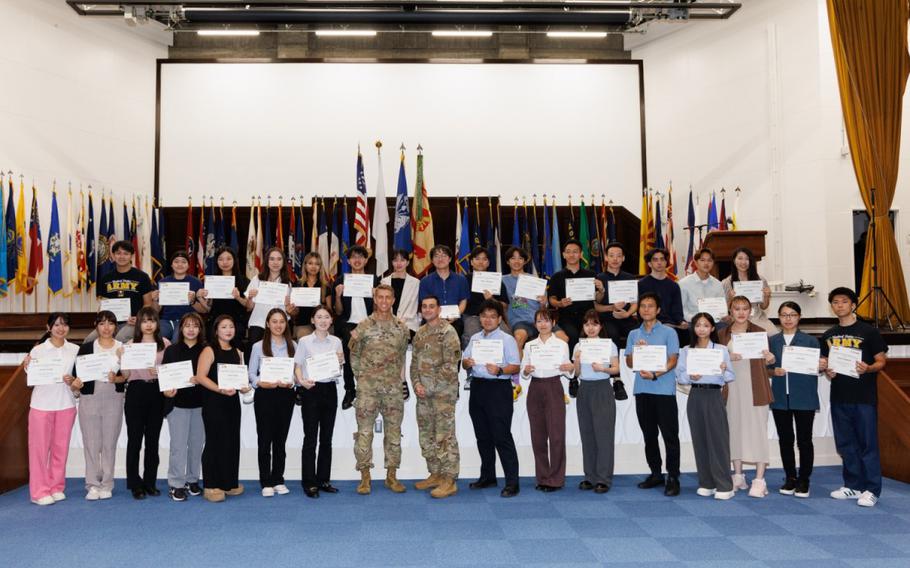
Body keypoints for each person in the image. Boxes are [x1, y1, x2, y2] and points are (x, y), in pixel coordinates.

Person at [820, 287, 887, 508]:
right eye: (835, 302)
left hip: (864, 397)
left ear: (853, 304)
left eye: (844, 301)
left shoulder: (869, 332)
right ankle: (853, 485)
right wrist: (827, 370)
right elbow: (825, 363)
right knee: (846, 444)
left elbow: (881, 361)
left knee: (867, 444)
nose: (839, 305)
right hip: (839, 396)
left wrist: (867, 368)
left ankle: (872, 489)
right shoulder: (829, 334)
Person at [348, 284, 411, 495]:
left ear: (393, 300)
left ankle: (391, 476)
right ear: (375, 299)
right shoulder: (363, 326)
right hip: (368, 389)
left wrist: (400, 380)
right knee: (364, 433)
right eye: (380, 297)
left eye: (388, 297)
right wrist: (362, 377)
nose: (384, 301)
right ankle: (365, 476)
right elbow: (354, 355)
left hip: (392, 389)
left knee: (394, 433)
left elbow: (402, 355)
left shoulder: (402, 328)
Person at [463, 299, 522, 498]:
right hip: (478, 388)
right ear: (479, 318)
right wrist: (466, 362)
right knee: (483, 437)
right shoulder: (475, 339)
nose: (487, 320)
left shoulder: (507, 340)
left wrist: (500, 370)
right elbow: (464, 363)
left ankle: (512, 482)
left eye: (492, 316)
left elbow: (516, 366)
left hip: (498, 389)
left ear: (499, 319)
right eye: (484, 316)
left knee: (502, 436)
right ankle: (488, 476)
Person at [625, 292, 681, 496]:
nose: (646, 309)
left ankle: (673, 476)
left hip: (664, 391)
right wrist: (636, 353)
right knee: (649, 435)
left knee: (670, 436)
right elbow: (629, 363)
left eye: (650, 306)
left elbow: (673, 360)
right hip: (642, 390)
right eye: (643, 306)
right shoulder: (634, 334)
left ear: (658, 310)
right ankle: (656, 473)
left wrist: (656, 373)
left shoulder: (668, 332)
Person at [675, 312, 735, 500]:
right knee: (699, 439)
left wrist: (724, 370)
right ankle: (706, 482)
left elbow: (730, 377)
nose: (701, 329)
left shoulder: (721, 349)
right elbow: (680, 376)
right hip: (695, 395)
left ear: (712, 328)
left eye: (706, 325)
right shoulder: (686, 350)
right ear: (694, 328)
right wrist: (690, 377)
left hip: (713, 395)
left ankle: (724, 484)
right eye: (698, 325)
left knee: (718, 440)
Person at [720, 295, 775, 498]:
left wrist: (770, 358)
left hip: (756, 389)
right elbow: (716, 363)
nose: (741, 312)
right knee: (734, 431)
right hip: (732, 390)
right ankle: (738, 475)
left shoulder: (760, 332)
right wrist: (726, 357)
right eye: (737, 309)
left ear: (750, 311)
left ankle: (759, 480)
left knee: (758, 432)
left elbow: (769, 361)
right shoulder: (722, 333)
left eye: (745, 308)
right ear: (730, 311)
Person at [410, 295, 463, 498]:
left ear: (439, 309)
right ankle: (436, 474)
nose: (428, 309)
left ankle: (449, 480)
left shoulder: (448, 332)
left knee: (445, 436)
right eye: (424, 306)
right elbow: (414, 363)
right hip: (423, 394)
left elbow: (451, 366)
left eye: (432, 306)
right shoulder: (420, 333)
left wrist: (429, 387)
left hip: (442, 394)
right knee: (427, 435)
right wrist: (416, 383)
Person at [25, 313, 81, 505]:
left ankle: (56, 486)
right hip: (41, 406)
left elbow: (78, 380)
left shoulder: (75, 350)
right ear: (48, 327)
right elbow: (30, 376)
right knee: (39, 451)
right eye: (56, 324)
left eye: (64, 324)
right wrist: (27, 365)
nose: (61, 328)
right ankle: (39, 491)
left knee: (60, 450)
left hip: (66, 405)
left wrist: (73, 381)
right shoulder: (37, 351)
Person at [193, 315, 251, 502]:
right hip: (213, 401)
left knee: (231, 441)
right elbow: (201, 376)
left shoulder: (238, 351)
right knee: (214, 442)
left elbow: (242, 378)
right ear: (216, 330)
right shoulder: (209, 350)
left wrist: (244, 386)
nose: (228, 330)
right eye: (224, 326)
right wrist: (220, 389)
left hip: (232, 402)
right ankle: (211, 485)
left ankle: (229, 483)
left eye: (231, 326)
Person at [768, 301, 820, 498]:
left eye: (792, 314)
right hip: (781, 397)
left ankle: (804, 478)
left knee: (805, 440)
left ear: (799, 317)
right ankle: (790, 477)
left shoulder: (810, 341)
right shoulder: (772, 341)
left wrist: (821, 365)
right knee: (785, 440)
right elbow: (763, 369)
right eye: (783, 315)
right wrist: (773, 370)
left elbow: (819, 366)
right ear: (779, 318)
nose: (788, 319)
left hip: (804, 397)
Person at [520, 308, 574, 491]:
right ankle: (542, 477)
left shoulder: (561, 345)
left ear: (553, 323)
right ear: (535, 324)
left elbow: (567, 372)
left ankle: (556, 479)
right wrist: (526, 371)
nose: (543, 324)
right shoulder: (529, 345)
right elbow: (523, 373)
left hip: (553, 386)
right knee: (538, 436)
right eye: (539, 321)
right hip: (535, 387)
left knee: (557, 435)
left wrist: (570, 367)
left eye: (546, 321)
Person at [74, 310, 125, 500]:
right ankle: (93, 485)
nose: (106, 328)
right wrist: (74, 384)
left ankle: (107, 484)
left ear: (116, 326)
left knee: (109, 444)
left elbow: (126, 377)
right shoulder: (86, 348)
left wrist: (117, 377)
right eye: (102, 323)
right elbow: (76, 378)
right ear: (96, 325)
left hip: (113, 398)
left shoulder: (123, 348)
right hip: (90, 398)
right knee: (91, 444)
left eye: (110, 323)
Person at [248, 308, 298, 497]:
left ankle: (278, 478)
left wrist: (292, 380)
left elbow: (297, 373)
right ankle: (266, 480)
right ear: (267, 324)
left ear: (286, 324)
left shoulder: (293, 345)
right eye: (274, 321)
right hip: (265, 395)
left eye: (282, 322)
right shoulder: (258, 346)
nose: (278, 325)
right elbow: (251, 373)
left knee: (280, 440)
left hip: (286, 395)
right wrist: (260, 382)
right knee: (264, 439)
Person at [295, 306, 344, 498]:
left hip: (329, 389)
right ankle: (309, 482)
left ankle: (324, 479)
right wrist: (301, 382)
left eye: (327, 317)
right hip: (311, 390)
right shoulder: (304, 341)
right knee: (310, 438)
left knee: (326, 438)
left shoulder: (337, 341)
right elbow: (297, 366)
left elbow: (338, 369)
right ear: (313, 320)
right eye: (319, 317)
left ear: (331, 320)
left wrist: (339, 361)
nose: (323, 320)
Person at [122, 307, 170, 500]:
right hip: (135, 392)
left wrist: (159, 372)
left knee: (152, 441)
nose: (148, 325)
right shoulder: (129, 344)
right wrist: (121, 359)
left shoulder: (165, 344)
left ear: (157, 323)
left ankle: (150, 482)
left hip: (156, 392)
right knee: (134, 440)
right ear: (138, 324)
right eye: (144, 321)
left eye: (152, 321)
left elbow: (171, 371)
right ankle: (135, 484)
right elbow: (125, 376)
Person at [572, 309, 620, 494]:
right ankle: (589, 476)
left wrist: (603, 368)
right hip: (584, 389)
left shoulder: (609, 345)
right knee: (587, 435)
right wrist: (576, 360)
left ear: (601, 326)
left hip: (602, 388)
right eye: (587, 324)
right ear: (583, 327)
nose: (590, 328)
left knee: (604, 436)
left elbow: (616, 369)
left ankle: (603, 478)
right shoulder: (578, 345)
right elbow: (576, 373)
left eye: (594, 324)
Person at [161, 312, 207, 502]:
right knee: (178, 446)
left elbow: (211, 376)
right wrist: (166, 392)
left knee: (196, 446)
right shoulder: (171, 350)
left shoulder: (206, 350)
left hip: (201, 405)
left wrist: (201, 379)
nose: (190, 329)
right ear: (181, 328)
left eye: (195, 326)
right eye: (187, 325)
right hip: (177, 405)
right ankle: (176, 484)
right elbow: (165, 378)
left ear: (200, 329)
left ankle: (192, 479)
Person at [334, 245, 381, 410]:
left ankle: (369, 390)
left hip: (369, 322)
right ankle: (350, 390)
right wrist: (338, 295)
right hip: (348, 323)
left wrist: (376, 297)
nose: (357, 260)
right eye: (353, 257)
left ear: (366, 260)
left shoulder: (374, 280)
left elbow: (379, 311)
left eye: (361, 257)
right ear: (348, 261)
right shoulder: (341, 280)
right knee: (349, 344)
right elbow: (338, 311)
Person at [90, 240, 155, 342]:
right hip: (111, 322)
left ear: (131, 256)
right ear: (113, 255)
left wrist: (139, 319)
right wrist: (100, 320)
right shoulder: (106, 278)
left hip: (132, 322)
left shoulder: (142, 277)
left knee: (120, 338)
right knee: (90, 339)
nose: (122, 256)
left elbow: (148, 304)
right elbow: (103, 304)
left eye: (126, 253)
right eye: (118, 253)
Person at [246, 247, 297, 355]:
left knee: (277, 358)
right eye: (272, 259)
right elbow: (249, 307)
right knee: (255, 356)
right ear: (266, 261)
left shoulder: (287, 283)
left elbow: (292, 312)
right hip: (258, 324)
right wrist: (250, 297)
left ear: (283, 262)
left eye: (279, 259)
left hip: (279, 326)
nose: (275, 262)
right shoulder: (257, 279)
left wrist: (289, 308)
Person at [548, 239, 597, 349]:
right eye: (568, 252)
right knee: (572, 335)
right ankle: (572, 364)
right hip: (567, 317)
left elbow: (598, 298)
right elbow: (552, 299)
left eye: (575, 251)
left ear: (581, 254)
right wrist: (560, 303)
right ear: (564, 255)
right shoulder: (557, 277)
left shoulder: (591, 275)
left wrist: (601, 289)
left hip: (588, 317)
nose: (571, 255)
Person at [197, 246, 251, 347]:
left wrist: (238, 297)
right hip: (215, 321)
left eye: (228, 259)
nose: (225, 262)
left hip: (236, 322)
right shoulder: (212, 280)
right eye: (221, 259)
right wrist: (200, 298)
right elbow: (208, 308)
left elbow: (248, 306)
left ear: (234, 260)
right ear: (217, 262)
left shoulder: (244, 281)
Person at [721, 247, 777, 335]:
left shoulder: (760, 280)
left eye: (747, 259)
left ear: (751, 261)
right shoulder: (726, 282)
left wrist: (766, 296)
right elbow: (725, 309)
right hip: (737, 319)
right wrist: (731, 299)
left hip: (758, 318)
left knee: (774, 335)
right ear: (734, 260)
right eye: (740, 258)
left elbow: (763, 307)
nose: (743, 262)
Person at [418, 244, 469, 339]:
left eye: (444, 256)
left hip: (455, 321)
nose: (440, 259)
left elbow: (463, 301)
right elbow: (425, 304)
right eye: (436, 256)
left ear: (450, 259)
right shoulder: (425, 281)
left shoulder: (461, 280)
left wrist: (455, 315)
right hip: (431, 320)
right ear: (432, 261)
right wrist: (436, 318)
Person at [463, 246, 509, 346]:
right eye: (477, 258)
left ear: (488, 263)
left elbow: (505, 305)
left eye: (484, 259)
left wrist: (491, 299)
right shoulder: (464, 280)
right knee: (474, 338)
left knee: (507, 336)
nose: (481, 262)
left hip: (494, 317)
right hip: (472, 316)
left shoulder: (495, 280)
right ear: (471, 262)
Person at [594, 241, 639, 343]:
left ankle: (631, 359)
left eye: (618, 256)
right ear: (606, 258)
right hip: (607, 319)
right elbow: (596, 306)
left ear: (623, 258)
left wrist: (627, 314)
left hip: (626, 318)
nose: (615, 259)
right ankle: (615, 359)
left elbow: (634, 303)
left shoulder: (630, 278)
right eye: (611, 255)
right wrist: (612, 308)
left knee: (637, 334)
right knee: (612, 334)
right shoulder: (599, 278)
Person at [156, 250, 205, 342]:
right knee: (157, 338)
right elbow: (156, 310)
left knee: (177, 340)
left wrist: (193, 301)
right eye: (176, 261)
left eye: (183, 262)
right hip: (166, 320)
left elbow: (204, 310)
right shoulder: (163, 283)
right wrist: (155, 300)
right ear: (171, 265)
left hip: (187, 320)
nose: (180, 264)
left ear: (188, 265)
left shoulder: (196, 282)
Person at [637, 248, 686, 335]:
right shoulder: (641, 284)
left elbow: (677, 310)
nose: (659, 262)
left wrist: (681, 321)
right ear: (649, 264)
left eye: (662, 259)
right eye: (655, 260)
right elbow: (641, 310)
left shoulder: (674, 285)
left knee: (687, 332)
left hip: (671, 325)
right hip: (649, 323)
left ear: (666, 262)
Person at [679, 247, 727, 326]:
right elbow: (682, 309)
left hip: (714, 322)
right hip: (693, 322)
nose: (706, 263)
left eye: (709, 260)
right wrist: (696, 319)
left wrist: (723, 316)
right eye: (702, 260)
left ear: (713, 263)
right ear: (696, 262)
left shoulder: (718, 284)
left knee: (725, 328)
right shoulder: (684, 283)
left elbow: (722, 308)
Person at [292, 252, 332, 339]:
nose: (313, 267)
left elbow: (329, 310)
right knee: (305, 341)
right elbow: (294, 312)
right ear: (305, 265)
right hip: (303, 324)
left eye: (317, 264)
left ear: (320, 267)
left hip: (322, 324)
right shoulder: (298, 284)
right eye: (310, 263)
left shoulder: (326, 286)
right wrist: (293, 310)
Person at [381, 249, 421, 334]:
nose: (399, 263)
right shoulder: (384, 282)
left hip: (408, 324)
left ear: (407, 262)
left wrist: (401, 321)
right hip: (387, 323)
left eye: (402, 260)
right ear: (392, 263)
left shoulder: (415, 282)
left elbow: (413, 306)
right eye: (395, 260)